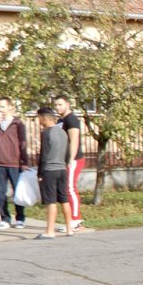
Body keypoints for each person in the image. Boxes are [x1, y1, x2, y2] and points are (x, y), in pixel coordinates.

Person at [0, 96, 28, 229]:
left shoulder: (17, 123)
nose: (0, 109)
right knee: (1, 192)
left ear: (10, 107)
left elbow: (23, 143)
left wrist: (25, 161)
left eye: (3, 106)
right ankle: (5, 218)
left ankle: (20, 218)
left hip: (15, 163)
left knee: (18, 192)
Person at [34, 106, 72, 239]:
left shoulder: (47, 133)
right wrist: (64, 164)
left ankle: (50, 231)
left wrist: (39, 174)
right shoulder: (63, 133)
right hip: (62, 169)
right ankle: (69, 229)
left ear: (44, 118)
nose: (38, 121)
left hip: (50, 170)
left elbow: (43, 155)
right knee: (64, 199)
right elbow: (67, 153)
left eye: (39, 118)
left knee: (51, 201)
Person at [53, 95, 85, 232]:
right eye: (56, 105)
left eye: (60, 104)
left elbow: (74, 140)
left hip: (74, 159)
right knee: (65, 189)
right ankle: (70, 219)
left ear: (67, 104)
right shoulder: (61, 120)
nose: (57, 107)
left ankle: (76, 220)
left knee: (70, 188)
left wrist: (71, 159)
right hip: (62, 159)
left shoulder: (72, 119)